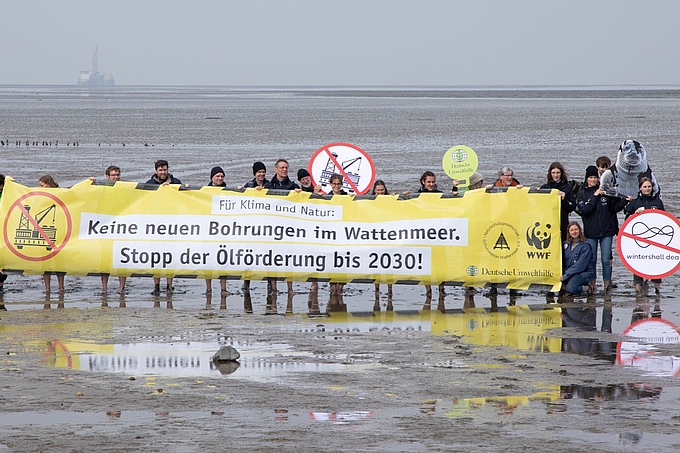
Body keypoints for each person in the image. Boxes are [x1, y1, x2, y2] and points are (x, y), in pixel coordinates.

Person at [577, 165, 629, 294]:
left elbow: (613, 208)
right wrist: (595, 196)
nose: (593, 180)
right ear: (586, 179)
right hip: (590, 232)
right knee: (592, 259)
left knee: (606, 260)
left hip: (606, 231)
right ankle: (593, 285)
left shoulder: (605, 191)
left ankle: (607, 285)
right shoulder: (582, 193)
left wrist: (625, 201)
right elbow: (584, 210)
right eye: (591, 177)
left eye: (595, 177)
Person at [403, 172, 445, 296]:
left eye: (433, 182)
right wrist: (406, 198)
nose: (431, 184)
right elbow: (407, 210)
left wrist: (454, 189)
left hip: (438, 233)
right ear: (423, 182)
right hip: (422, 234)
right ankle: (428, 290)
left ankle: (441, 289)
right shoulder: (417, 195)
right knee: (425, 263)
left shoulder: (440, 194)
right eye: (429, 182)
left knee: (441, 262)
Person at [145, 160, 181, 295]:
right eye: (160, 170)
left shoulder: (176, 182)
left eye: (165, 169)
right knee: (156, 257)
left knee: (170, 256)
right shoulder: (149, 184)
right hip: (155, 226)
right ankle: (156, 285)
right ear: (156, 171)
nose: (163, 172)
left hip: (172, 225)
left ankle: (169, 285)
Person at [624, 177, 664, 295]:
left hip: (655, 237)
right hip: (639, 238)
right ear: (640, 188)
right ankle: (638, 285)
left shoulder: (658, 202)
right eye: (645, 187)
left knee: (656, 260)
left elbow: (664, 220)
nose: (647, 189)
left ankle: (657, 286)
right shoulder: (635, 202)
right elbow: (627, 220)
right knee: (638, 260)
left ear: (652, 188)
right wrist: (634, 214)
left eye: (649, 186)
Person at [265, 159, 299, 294]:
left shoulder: (293, 186)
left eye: (286, 168)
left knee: (288, 259)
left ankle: (290, 288)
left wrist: (300, 194)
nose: (284, 170)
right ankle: (273, 288)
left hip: (288, 229)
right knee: (273, 258)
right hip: (272, 228)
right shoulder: (268, 186)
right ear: (276, 170)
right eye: (282, 168)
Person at [99, 166, 127, 294]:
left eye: (118, 175)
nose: (116, 177)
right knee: (105, 260)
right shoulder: (101, 188)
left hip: (122, 229)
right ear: (107, 177)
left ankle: (121, 288)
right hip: (106, 229)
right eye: (113, 175)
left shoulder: (126, 188)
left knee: (122, 259)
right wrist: (89, 183)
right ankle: (104, 288)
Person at [38, 175, 65, 293]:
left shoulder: (60, 193)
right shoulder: (40, 196)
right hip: (44, 231)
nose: (40, 188)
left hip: (59, 231)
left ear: (48, 184)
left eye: (42, 185)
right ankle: (47, 288)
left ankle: (61, 287)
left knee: (59, 261)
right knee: (45, 262)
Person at [539, 162, 576, 242]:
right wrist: (536, 193)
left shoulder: (567, 187)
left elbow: (572, 207)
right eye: (553, 173)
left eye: (558, 173)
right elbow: (538, 206)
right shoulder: (545, 188)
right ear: (550, 174)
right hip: (548, 225)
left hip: (563, 225)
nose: (555, 175)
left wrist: (564, 199)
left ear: (561, 173)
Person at [205, 166, 228, 295]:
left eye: (222, 176)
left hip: (223, 231)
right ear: (212, 177)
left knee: (222, 261)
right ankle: (208, 289)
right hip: (209, 231)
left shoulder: (228, 190)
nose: (220, 178)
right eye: (217, 176)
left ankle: (223, 289)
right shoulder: (204, 191)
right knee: (208, 261)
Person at [560, 221, 595, 296]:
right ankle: (565, 287)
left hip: (582, 273)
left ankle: (587, 288)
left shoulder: (585, 246)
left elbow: (581, 265)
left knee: (571, 288)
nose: (574, 232)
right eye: (571, 230)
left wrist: (566, 276)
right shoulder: (565, 244)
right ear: (569, 232)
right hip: (569, 272)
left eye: (576, 229)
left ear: (579, 230)